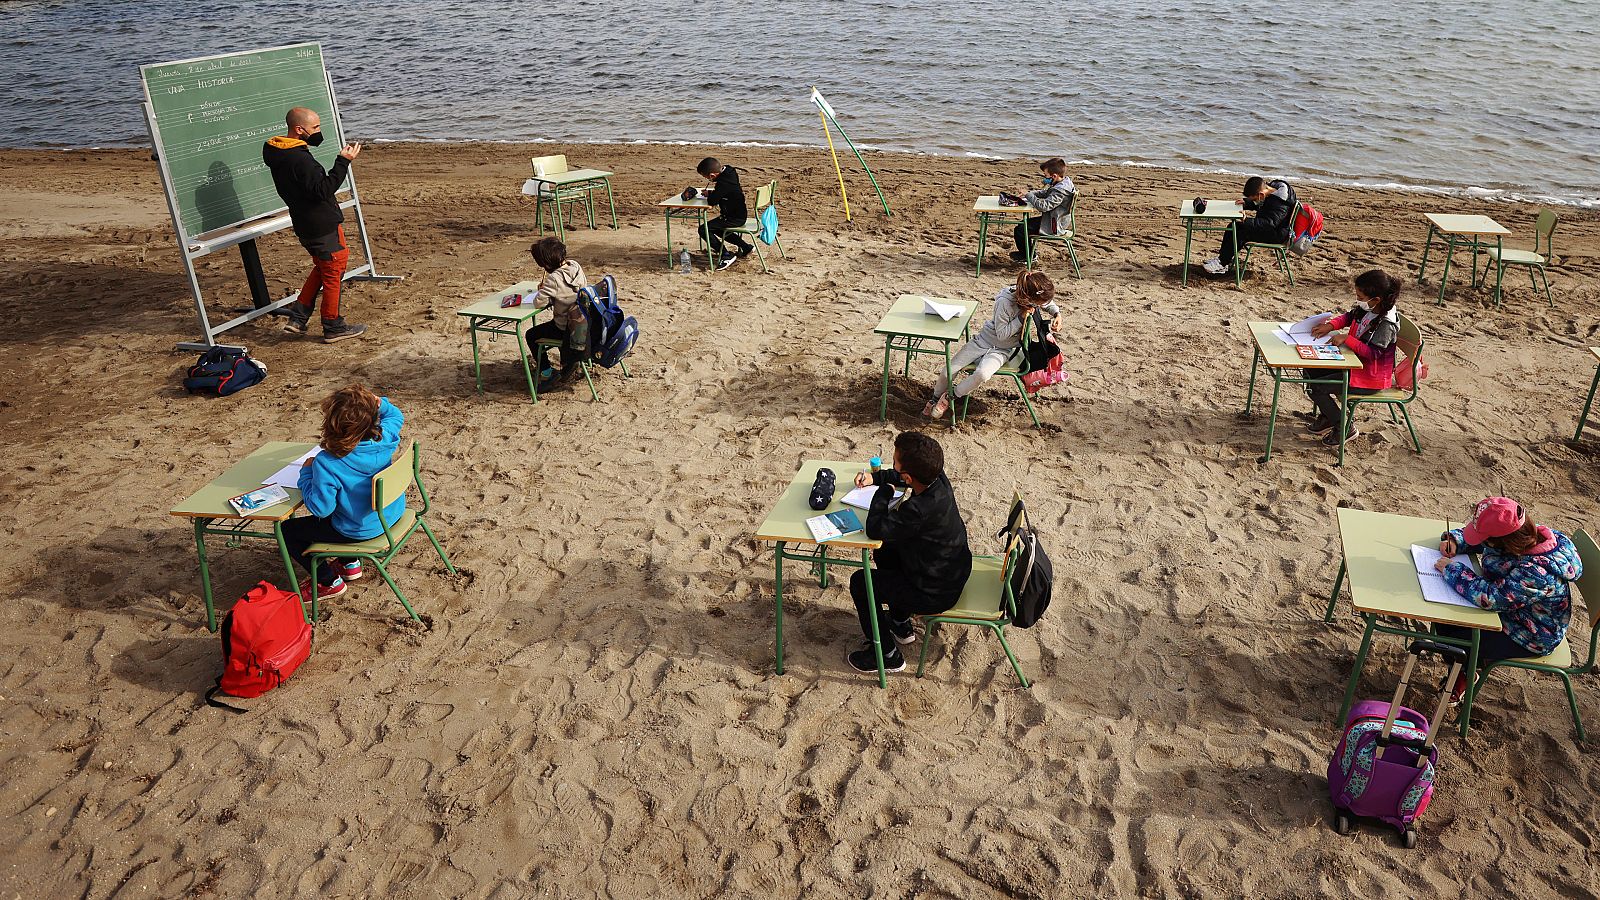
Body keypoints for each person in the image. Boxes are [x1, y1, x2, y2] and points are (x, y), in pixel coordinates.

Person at [1431, 497, 1582, 702]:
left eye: (1485, 538)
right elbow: (1484, 541)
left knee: (1458, 641)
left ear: (1503, 542)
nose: (1483, 542)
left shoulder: (1537, 574)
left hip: (1531, 634)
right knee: (1444, 621)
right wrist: (1457, 541)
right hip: (1511, 611)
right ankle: (1463, 667)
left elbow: (1490, 598)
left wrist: (1453, 570)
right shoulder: (1525, 536)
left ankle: (1466, 671)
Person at [845, 431, 973, 674]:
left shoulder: (919, 509)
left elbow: (875, 528)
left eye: (894, 463)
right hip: (948, 570)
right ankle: (899, 622)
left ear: (907, 475)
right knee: (887, 551)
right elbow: (903, 476)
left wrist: (883, 492)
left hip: (935, 592)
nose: (892, 466)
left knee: (860, 582)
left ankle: (885, 654)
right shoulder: (938, 479)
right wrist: (877, 478)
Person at [281, 385, 406, 598]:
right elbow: (395, 414)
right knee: (344, 504)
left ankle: (328, 581)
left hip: (358, 530)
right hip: (390, 515)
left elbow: (320, 509)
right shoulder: (385, 438)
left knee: (288, 531)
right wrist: (379, 402)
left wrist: (307, 475)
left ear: (331, 425)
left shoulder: (327, 463)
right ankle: (350, 564)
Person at [263, 107, 367, 342]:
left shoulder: (278, 151)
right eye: (315, 128)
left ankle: (298, 318)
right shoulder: (300, 160)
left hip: (303, 222)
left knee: (323, 266)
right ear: (299, 129)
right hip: (321, 224)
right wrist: (343, 161)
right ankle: (333, 325)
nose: (319, 132)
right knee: (333, 269)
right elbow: (324, 190)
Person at [924, 271, 1062, 420]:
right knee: (948, 371)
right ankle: (934, 398)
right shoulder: (1004, 302)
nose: (1039, 306)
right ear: (1027, 298)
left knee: (982, 374)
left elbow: (1047, 302)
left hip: (1004, 350)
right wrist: (1021, 317)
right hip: (983, 341)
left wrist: (1057, 314)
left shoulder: (1029, 294)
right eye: (1037, 304)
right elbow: (1002, 334)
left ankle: (951, 396)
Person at [1300, 269, 1402, 447]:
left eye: (1360, 297)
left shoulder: (1386, 323)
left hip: (1369, 378)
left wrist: (1347, 339)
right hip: (1352, 364)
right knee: (1311, 370)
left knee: (1316, 387)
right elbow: (1348, 317)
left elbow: (1373, 354)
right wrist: (1331, 325)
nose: (1358, 301)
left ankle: (1344, 427)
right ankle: (1329, 416)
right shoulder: (1369, 308)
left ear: (1376, 299)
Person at [523, 237, 589, 392]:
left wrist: (542, 290)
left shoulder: (553, 279)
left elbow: (538, 303)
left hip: (565, 328)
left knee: (531, 335)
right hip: (582, 323)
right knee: (549, 327)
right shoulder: (575, 266)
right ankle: (570, 362)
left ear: (545, 265)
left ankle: (546, 372)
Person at [1203, 175, 1297, 276]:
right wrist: (1246, 203)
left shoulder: (1280, 203)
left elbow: (1270, 223)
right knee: (1233, 226)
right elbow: (1261, 204)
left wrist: (1246, 220)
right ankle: (1223, 259)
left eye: (1253, 199)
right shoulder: (1272, 189)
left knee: (1241, 232)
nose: (1254, 201)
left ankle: (1222, 263)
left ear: (1261, 195)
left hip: (1277, 234)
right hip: (1269, 227)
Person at [1009, 157, 1077, 263]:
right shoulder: (1062, 183)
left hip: (1054, 224)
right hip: (1055, 219)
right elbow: (1045, 193)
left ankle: (1028, 257)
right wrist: (1029, 194)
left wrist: (1029, 195)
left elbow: (1043, 206)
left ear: (1054, 176)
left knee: (1021, 229)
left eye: (1046, 176)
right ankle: (1029, 253)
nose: (1045, 178)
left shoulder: (1060, 191)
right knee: (1023, 225)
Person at [696, 157, 753, 270]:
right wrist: (714, 192)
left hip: (734, 217)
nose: (707, 179)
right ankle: (746, 247)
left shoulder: (723, 184)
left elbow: (712, 201)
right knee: (717, 228)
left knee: (703, 229)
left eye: (706, 177)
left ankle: (725, 255)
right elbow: (724, 192)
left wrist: (711, 194)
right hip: (738, 214)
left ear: (712, 175)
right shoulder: (729, 171)